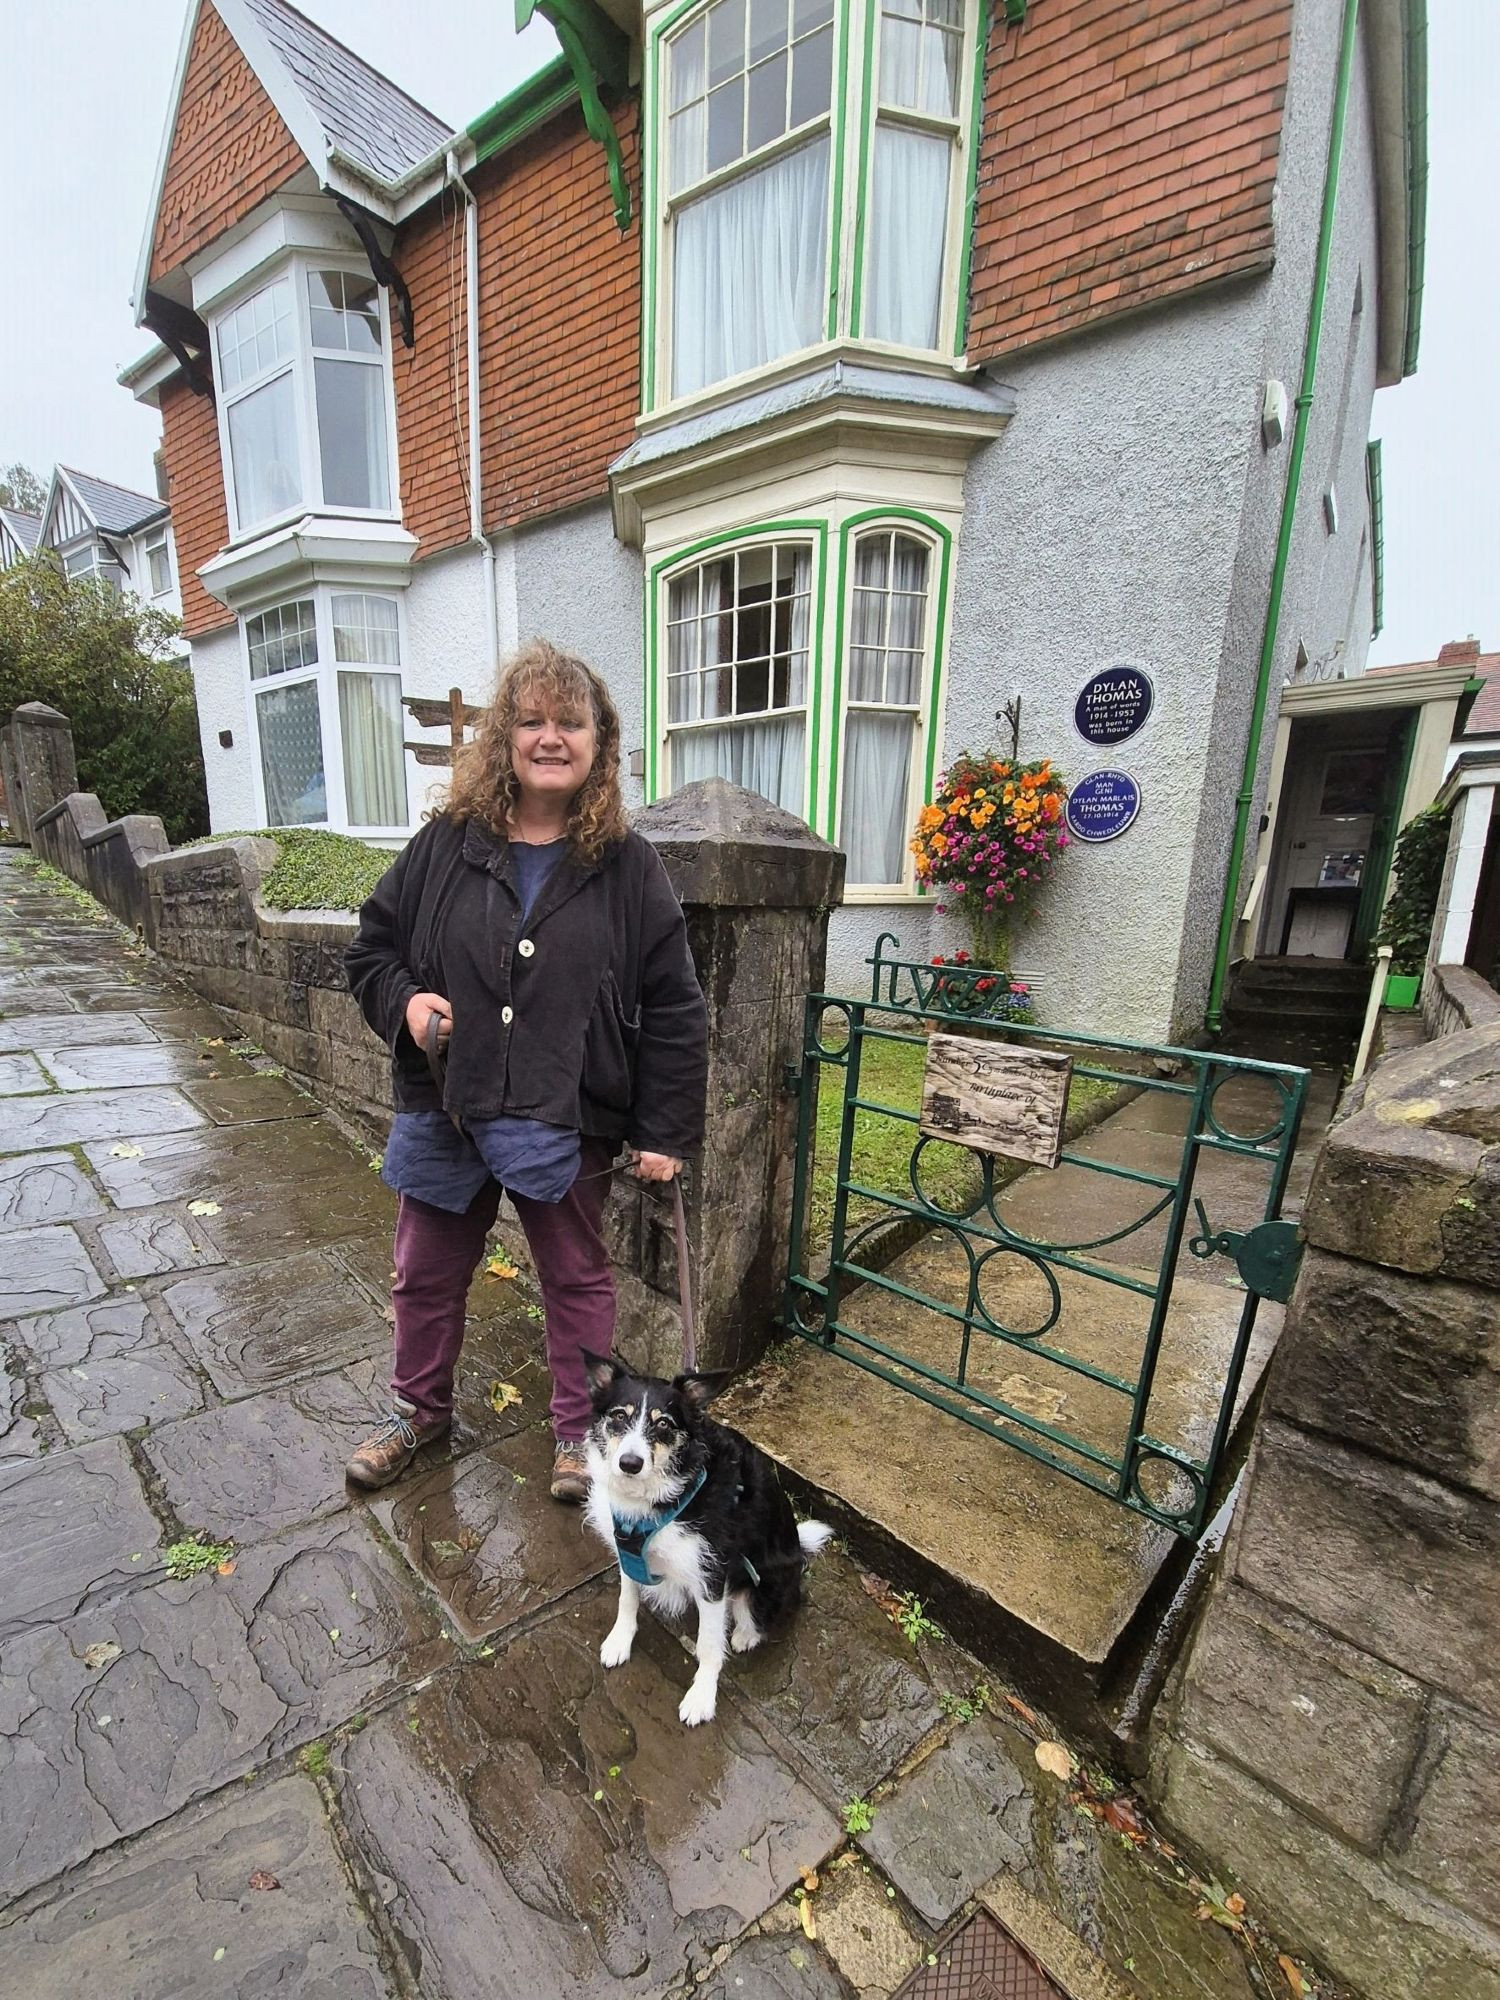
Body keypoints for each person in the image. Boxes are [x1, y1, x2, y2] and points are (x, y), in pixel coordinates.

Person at [343, 640, 708, 1501]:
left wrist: (663, 1129)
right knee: (423, 1273)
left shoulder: (628, 865)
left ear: (597, 743)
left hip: (565, 1112)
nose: (552, 737)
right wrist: (406, 1003)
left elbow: (676, 1004)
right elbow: (371, 948)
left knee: (576, 1282)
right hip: (447, 1104)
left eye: (570, 722)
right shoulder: (443, 847)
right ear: (505, 737)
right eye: (533, 720)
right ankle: (417, 1412)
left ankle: (581, 1439)